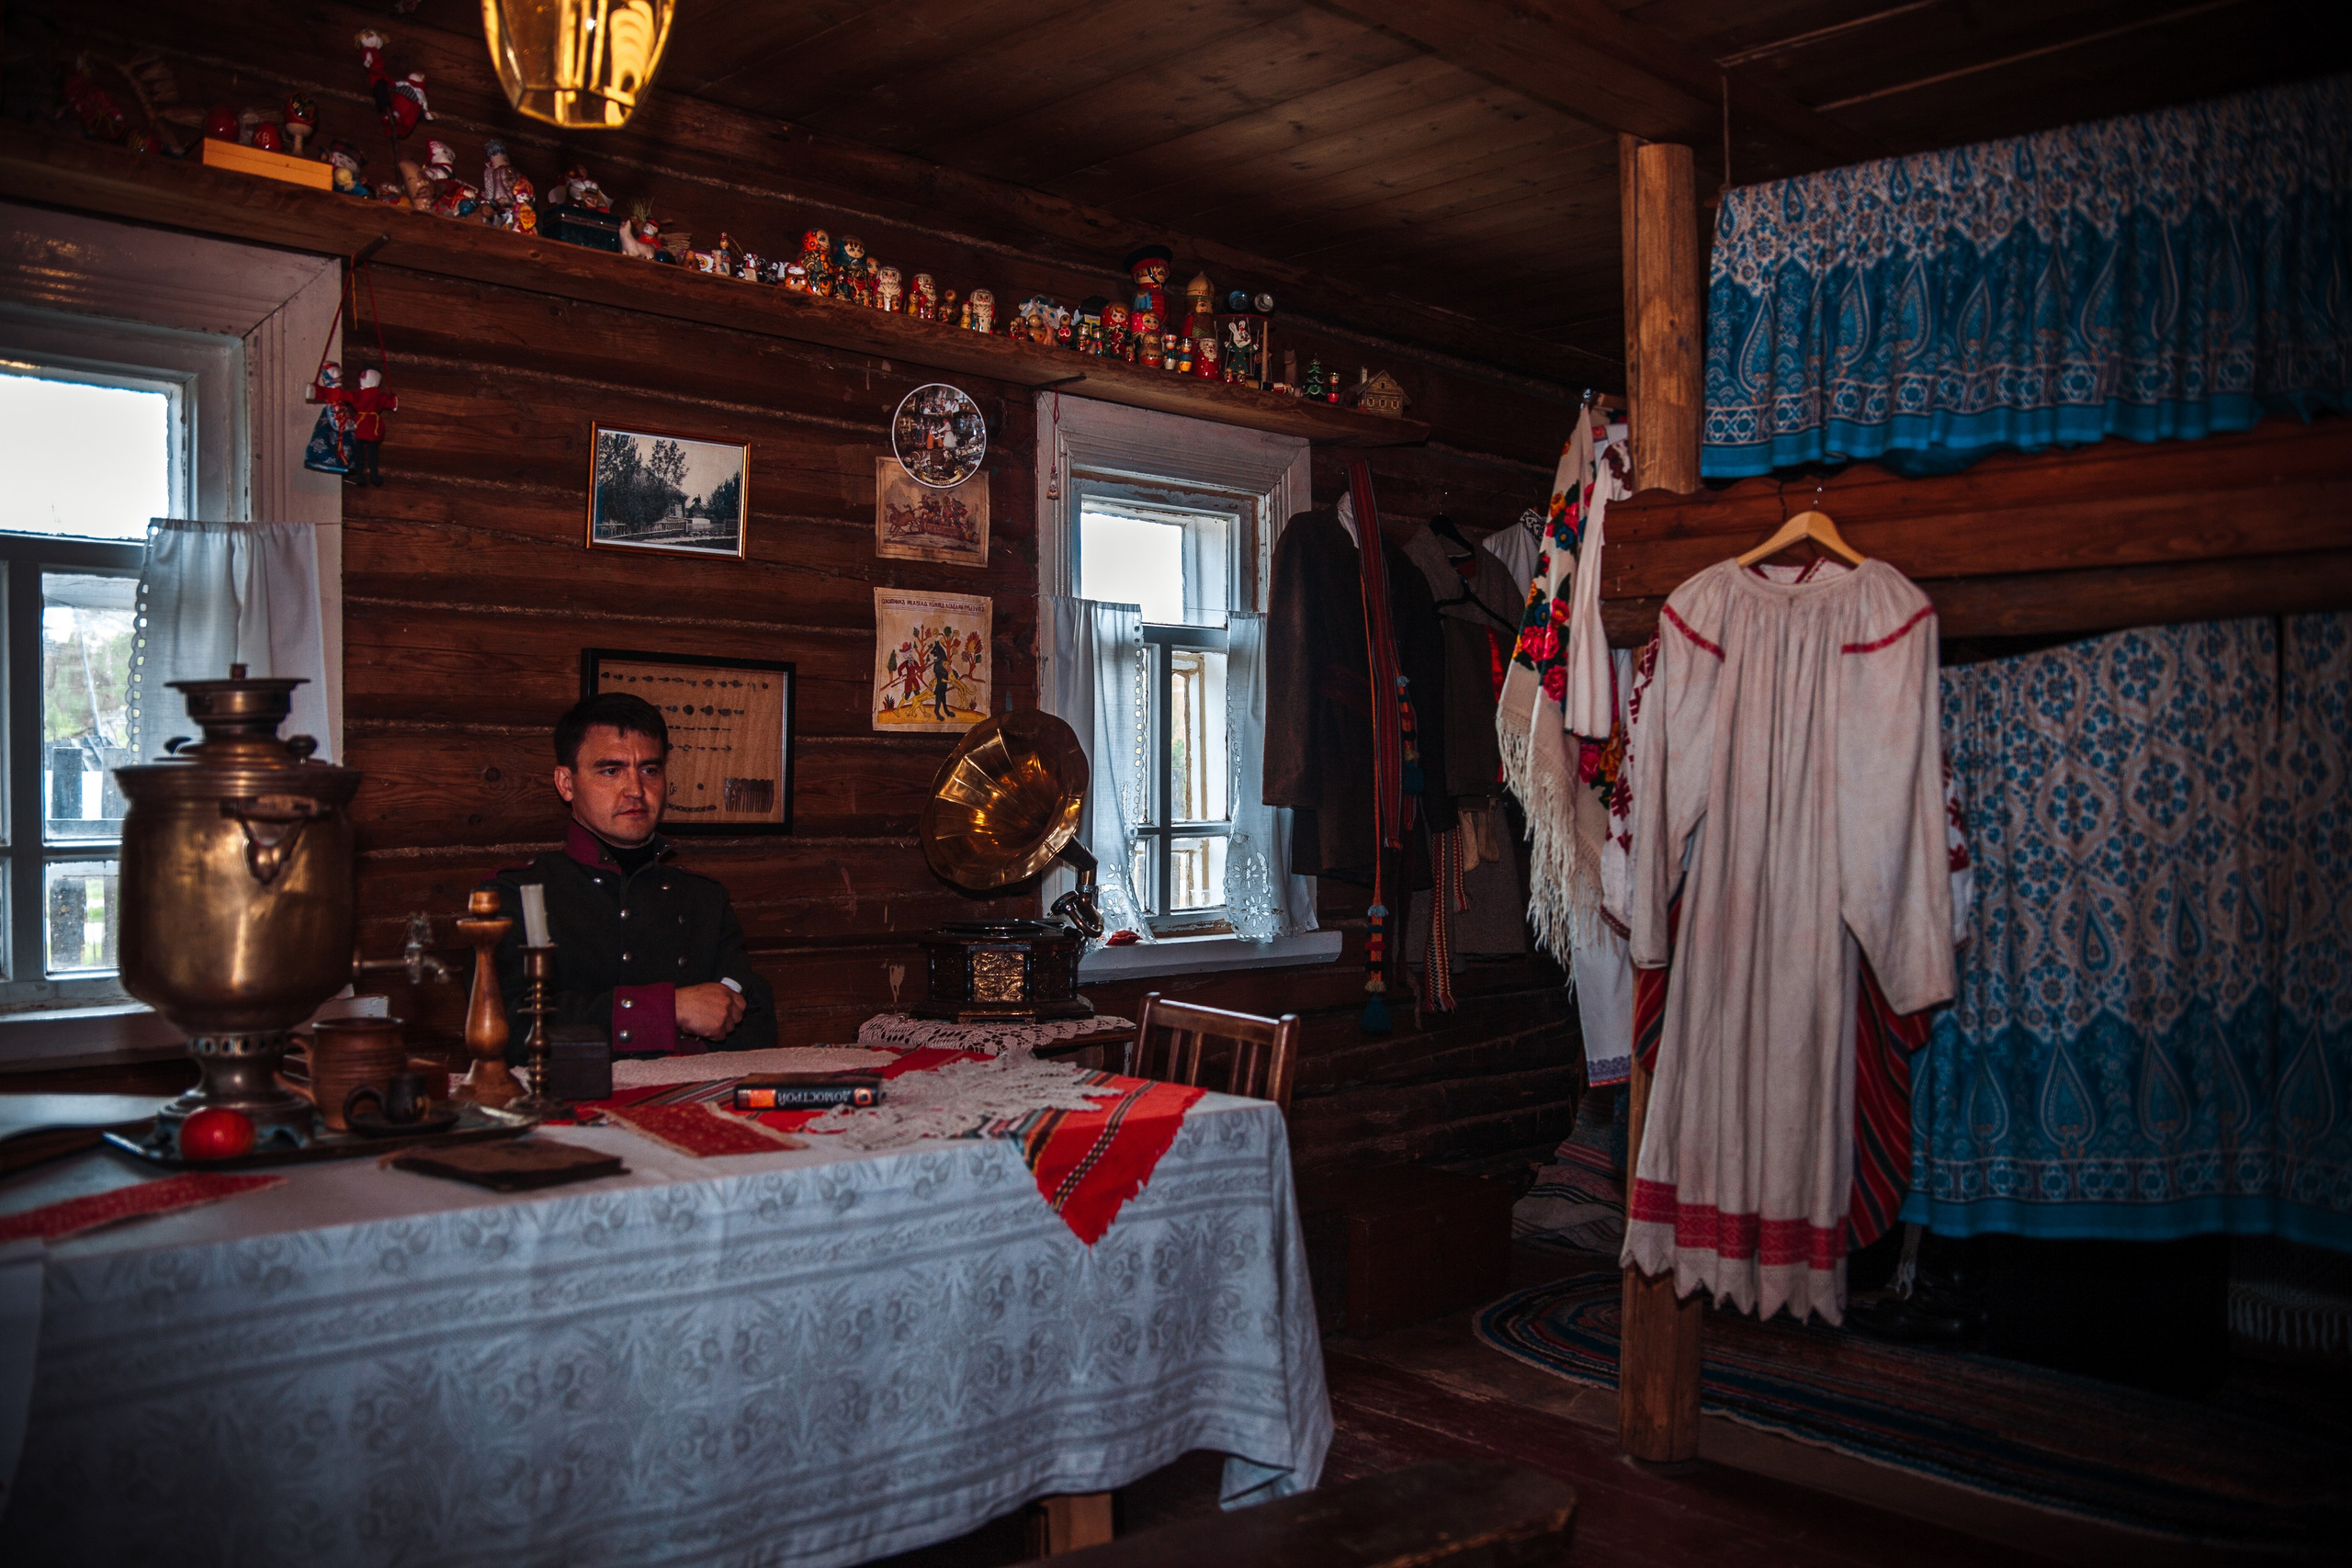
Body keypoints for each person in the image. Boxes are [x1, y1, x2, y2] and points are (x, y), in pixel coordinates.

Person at [485, 692, 775, 1056]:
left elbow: (753, 1020)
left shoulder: (704, 898)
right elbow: (506, 1027)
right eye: (611, 771)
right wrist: (669, 1010)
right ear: (566, 783)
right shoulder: (515, 893)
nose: (636, 790)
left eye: (649, 770)